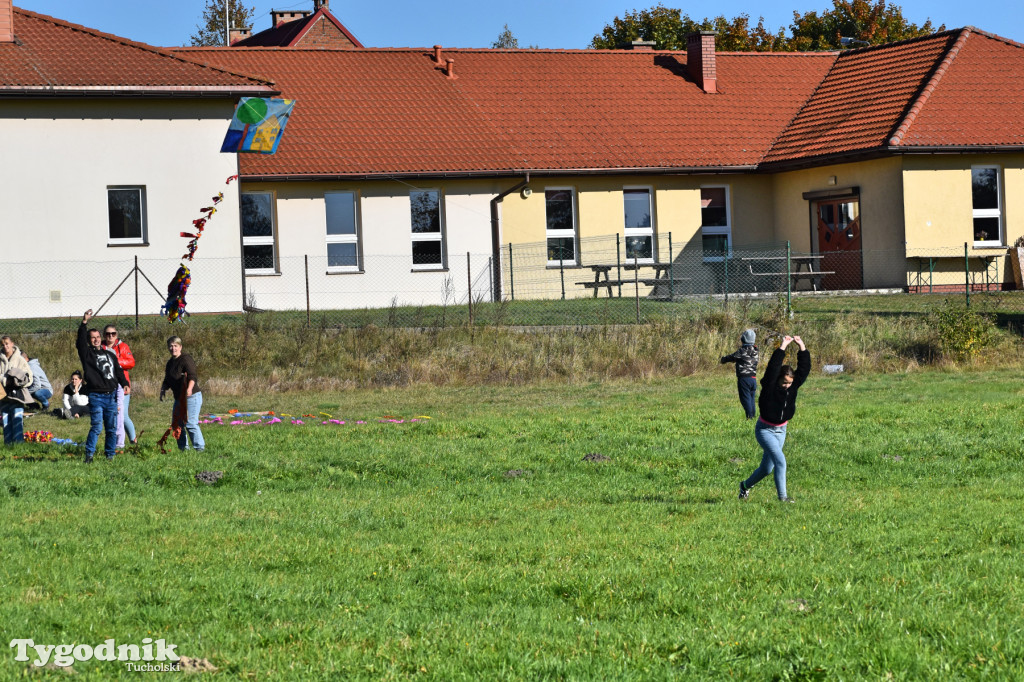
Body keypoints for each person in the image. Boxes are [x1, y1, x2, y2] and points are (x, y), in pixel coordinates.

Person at [739, 335, 811, 504]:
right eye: (784, 382)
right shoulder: (770, 386)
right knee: (781, 461)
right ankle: (783, 498)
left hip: (781, 430)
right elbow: (773, 368)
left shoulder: (793, 386)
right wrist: (783, 347)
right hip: (765, 430)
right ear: (778, 379)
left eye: (790, 383)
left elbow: (804, 369)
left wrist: (802, 345)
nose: (787, 386)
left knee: (766, 468)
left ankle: (744, 486)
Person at [77, 310, 128, 462]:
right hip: (96, 396)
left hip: (111, 396)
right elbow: (80, 342)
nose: (96, 340)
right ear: (89, 340)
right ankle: (89, 455)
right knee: (97, 427)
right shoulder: (87, 355)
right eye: (93, 338)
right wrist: (84, 322)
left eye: (98, 337)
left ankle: (110, 455)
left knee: (111, 429)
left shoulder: (110, 355)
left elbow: (118, 371)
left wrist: (124, 383)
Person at [160, 336, 205, 452]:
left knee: (190, 423)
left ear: (180, 347)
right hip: (179, 398)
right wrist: (163, 389)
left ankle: (200, 448)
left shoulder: (185, 359)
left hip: (191, 396)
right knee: (177, 424)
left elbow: (192, 376)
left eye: (175, 345)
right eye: (170, 346)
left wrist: (189, 389)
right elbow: (167, 379)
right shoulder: (170, 363)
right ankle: (183, 449)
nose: (173, 348)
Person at [103, 324, 137, 448]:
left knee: (123, 415)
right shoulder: (101, 347)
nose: (110, 336)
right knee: (111, 416)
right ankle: (114, 442)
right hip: (106, 386)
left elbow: (131, 362)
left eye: (113, 334)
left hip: (122, 385)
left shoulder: (123, 347)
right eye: (108, 334)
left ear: (116, 335)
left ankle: (133, 439)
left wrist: (115, 361)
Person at [0, 336, 33, 445]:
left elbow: (29, 378)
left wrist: (19, 381)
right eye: (3, 344)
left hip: (17, 396)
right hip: (3, 395)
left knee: (17, 421)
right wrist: (5, 380)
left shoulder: (20, 359)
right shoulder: (0, 359)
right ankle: (8, 446)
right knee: (6, 422)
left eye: (7, 343)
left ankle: (19, 447)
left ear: (12, 344)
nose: (5, 346)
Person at [721, 328, 759, 419]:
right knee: (751, 399)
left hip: (744, 379)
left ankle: (749, 417)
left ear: (743, 339)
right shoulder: (756, 351)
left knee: (745, 399)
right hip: (753, 379)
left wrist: (723, 359)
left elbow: (731, 357)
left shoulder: (742, 351)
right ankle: (753, 416)